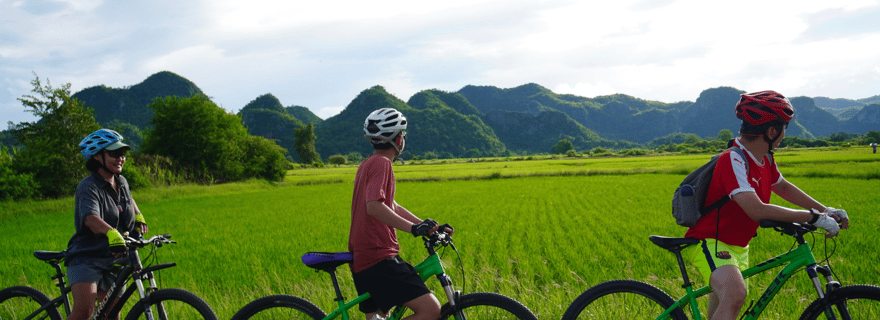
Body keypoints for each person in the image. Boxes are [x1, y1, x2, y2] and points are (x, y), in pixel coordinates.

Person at [683, 91, 849, 320]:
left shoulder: (765, 159)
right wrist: (813, 217)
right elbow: (756, 210)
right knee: (735, 294)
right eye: (784, 128)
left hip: (739, 245)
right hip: (711, 241)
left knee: (724, 306)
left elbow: (783, 187)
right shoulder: (732, 159)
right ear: (772, 131)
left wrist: (825, 210)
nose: (784, 135)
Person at [349, 108, 453, 320]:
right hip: (379, 258)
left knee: (379, 318)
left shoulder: (367, 164)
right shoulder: (382, 163)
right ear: (398, 139)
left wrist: (427, 226)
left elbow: (391, 205)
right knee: (431, 310)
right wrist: (413, 229)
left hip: (365, 257)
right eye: (403, 135)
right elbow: (374, 206)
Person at [65, 129, 148, 320]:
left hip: (114, 257)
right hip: (87, 257)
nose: (121, 158)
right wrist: (111, 232)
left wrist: (138, 214)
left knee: (112, 315)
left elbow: (128, 199)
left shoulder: (121, 181)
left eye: (122, 154)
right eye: (114, 153)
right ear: (97, 156)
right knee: (85, 312)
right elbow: (90, 218)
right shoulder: (88, 186)